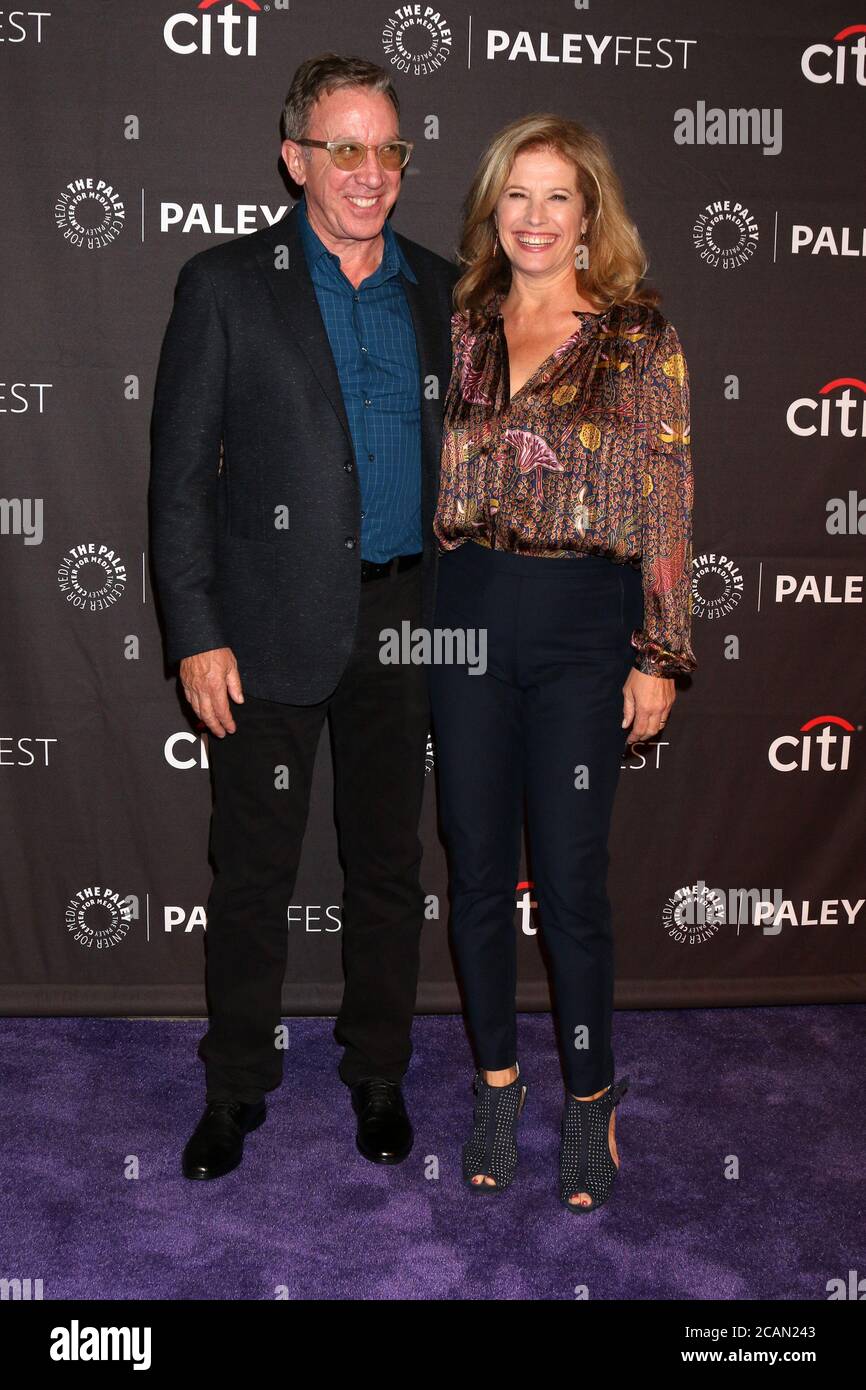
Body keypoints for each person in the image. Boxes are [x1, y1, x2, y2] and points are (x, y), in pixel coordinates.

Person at [148, 52, 459, 1179]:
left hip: (406, 620)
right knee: (252, 879)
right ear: (295, 159)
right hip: (263, 627)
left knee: (387, 868)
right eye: (344, 148)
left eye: (387, 149)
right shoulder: (227, 285)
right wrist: (194, 631)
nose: (369, 172)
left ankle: (378, 1072)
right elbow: (179, 479)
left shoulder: (440, 285)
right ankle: (234, 1088)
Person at [428, 113, 696, 1212]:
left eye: (556, 198)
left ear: (589, 216)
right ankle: (497, 1084)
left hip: (585, 620)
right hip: (466, 609)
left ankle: (591, 1100)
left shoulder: (638, 337)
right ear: (492, 211)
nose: (534, 219)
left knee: (572, 886)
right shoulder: (462, 326)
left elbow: (666, 504)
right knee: (477, 870)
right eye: (515, 197)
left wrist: (660, 653)